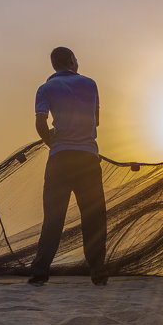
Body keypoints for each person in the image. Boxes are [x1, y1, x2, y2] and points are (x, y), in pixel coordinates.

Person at [29, 47, 108, 286]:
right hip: (87, 159)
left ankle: (40, 272)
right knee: (93, 216)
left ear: (54, 65)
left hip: (59, 160)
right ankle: (97, 271)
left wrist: (51, 142)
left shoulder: (45, 88)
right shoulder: (90, 83)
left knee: (53, 218)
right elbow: (96, 120)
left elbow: (40, 122)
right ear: (73, 61)